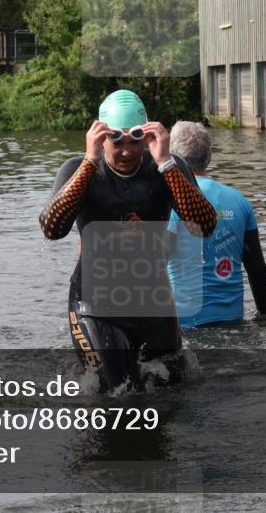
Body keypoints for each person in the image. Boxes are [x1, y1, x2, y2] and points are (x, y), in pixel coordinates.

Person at [39, 90, 217, 391]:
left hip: (152, 301)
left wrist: (166, 164)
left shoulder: (167, 168)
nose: (126, 150)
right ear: (100, 136)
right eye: (116, 141)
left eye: (135, 139)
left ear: (146, 135)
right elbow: (52, 229)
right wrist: (89, 162)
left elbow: (205, 224)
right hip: (95, 304)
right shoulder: (77, 169)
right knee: (117, 391)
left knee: (172, 386)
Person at [166, 121, 266, 328]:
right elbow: (257, 269)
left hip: (183, 326)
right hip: (232, 320)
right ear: (209, 156)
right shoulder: (240, 201)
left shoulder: (167, 203)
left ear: (172, 159)